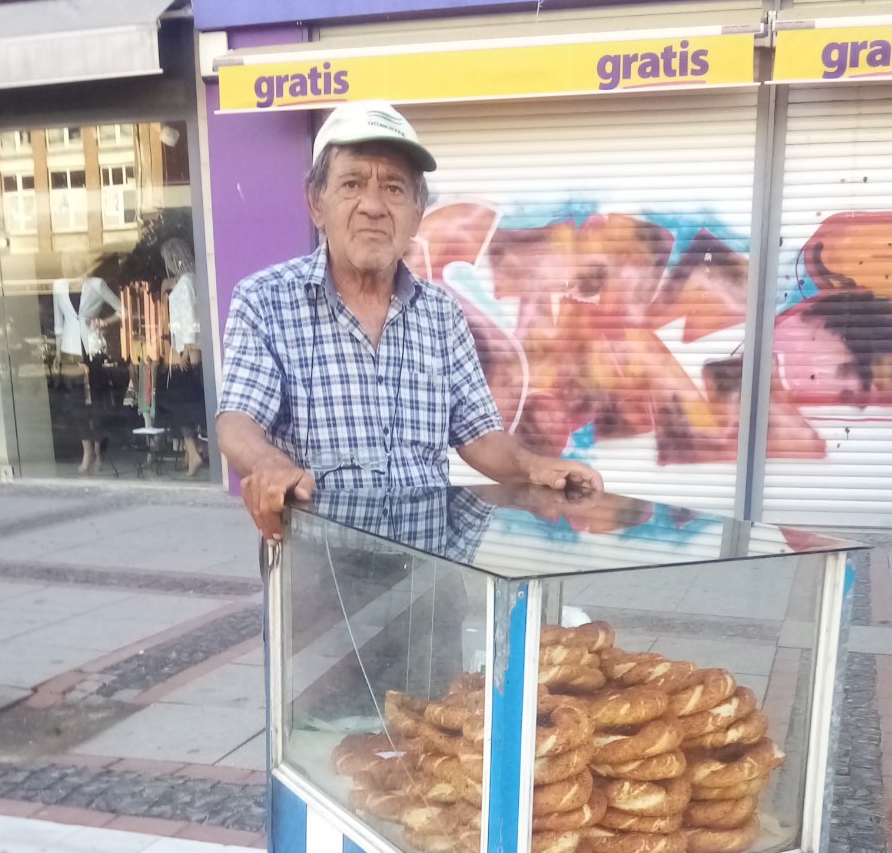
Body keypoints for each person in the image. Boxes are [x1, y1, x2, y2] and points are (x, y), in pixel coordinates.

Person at [216, 101, 602, 539]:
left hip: (431, 570)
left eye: (394, 189)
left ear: (417, 214)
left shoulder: (442, 314)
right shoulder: (266, 301)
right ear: (316, 202)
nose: (374, 206)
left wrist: (535, 466)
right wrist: (269, 465)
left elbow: (479, 436)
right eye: (352, 183)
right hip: (320, 572)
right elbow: (237, 419)